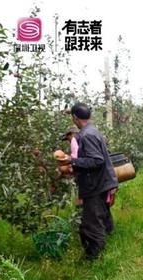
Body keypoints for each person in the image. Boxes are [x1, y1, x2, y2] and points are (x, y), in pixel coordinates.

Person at [58, 102, 118, 260]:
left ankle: (94, 258)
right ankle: (112, 243)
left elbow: (96, 161)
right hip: (101, 182)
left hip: (96, 185)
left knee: (90, 223)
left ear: (75, 118)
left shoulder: (87, 135)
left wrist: (73, 161)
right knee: (102, 216)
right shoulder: (92, 131)